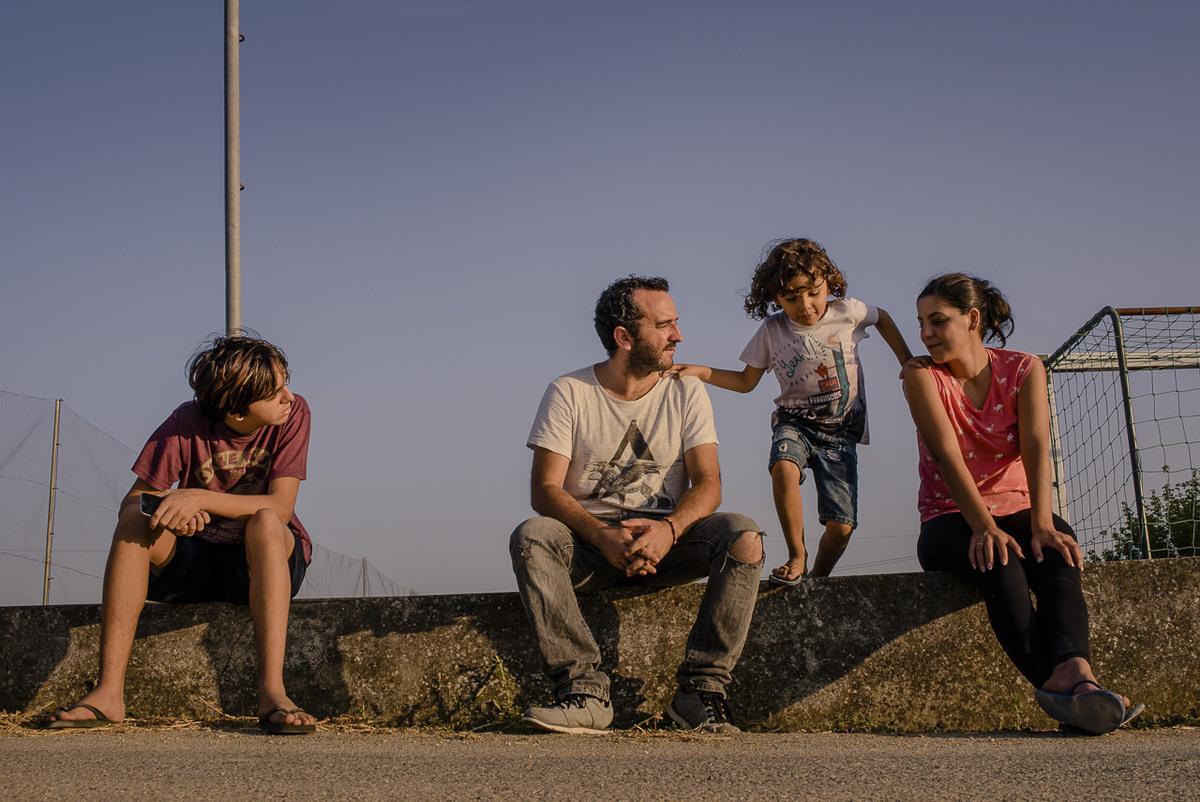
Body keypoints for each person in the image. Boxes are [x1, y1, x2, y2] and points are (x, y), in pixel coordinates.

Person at [509, 276, 765, 734]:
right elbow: (545, 490)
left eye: (676, 323)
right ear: (624, 337)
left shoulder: (687, 390)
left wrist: (668, 530)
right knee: (533, 536)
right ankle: (583, 694)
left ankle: (699, 693)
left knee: (744, 537)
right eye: (665, 325)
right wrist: (603, 537)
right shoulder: (569, 391)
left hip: (670, 540)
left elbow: (709, 484)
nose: (678, 336)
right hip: (592, 546)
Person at [903, 273, 1142, 735]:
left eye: (937, 321)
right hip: (949, 517)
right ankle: (1062, 686)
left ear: (972, 319)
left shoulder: (1025, 368)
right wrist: (982, 527)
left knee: (1057, 544)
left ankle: (1077, 672)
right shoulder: (921, 376)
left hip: (1015, 509)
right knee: (999, 557)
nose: (926, 333)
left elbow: (1036, 446)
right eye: (921, 323)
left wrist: (1041, 522)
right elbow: (946, 456)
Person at [44, 334, 317, 735]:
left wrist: (196, 498)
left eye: (285, 382)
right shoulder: (185, 423)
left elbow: (280, 506)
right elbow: (131, 503)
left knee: (265, 522)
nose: (288, 397)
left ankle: (272, 692)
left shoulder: (294, 415)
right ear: (237, 410)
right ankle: (108, 693)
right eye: (275, 391)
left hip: (260, 564)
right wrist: (170, 511)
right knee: (135, 522)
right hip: (196, 563)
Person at [669, 238, 913, 583]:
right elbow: (745, 381)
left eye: (813, 292)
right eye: (791, 297)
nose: (806, 305)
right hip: (794, 422)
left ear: (828, 280)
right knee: (783, 468)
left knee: (841, 527)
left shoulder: (849, 312)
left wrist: (907, 360)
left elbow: (883, 318)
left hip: (841, 431)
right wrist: (701, 371)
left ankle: (818, 577)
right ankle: (796, 555)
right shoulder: (772, 330)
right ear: (775, 298)